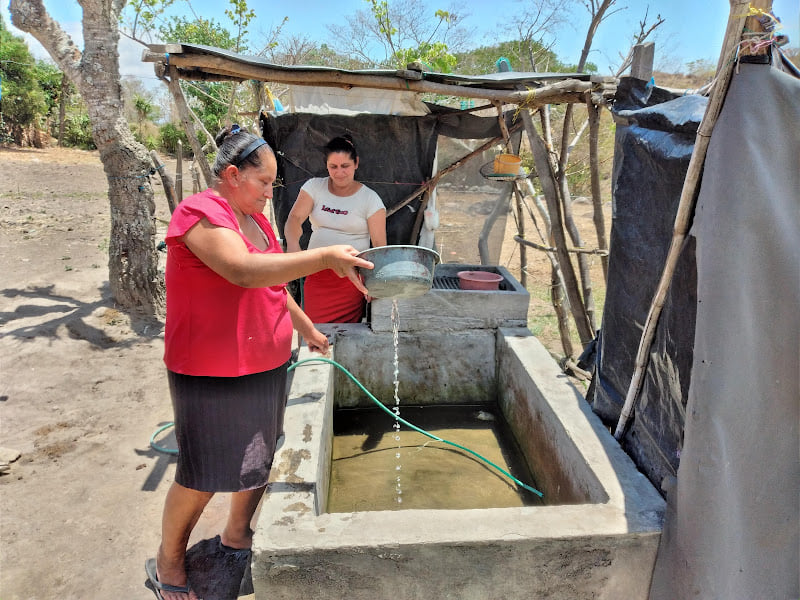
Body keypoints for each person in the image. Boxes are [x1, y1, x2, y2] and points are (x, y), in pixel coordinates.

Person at [145, 124, 373, 600]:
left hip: (265, 362)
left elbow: (273, 284)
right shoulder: (200, 214)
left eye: (273, 183)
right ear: (232, 175)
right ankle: (169, 562)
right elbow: (244, 271)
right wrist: (323, 257)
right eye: (264, 182)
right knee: (203, 474)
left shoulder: (257, 220)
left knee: (257, 460)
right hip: (210, 369)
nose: (270, 193)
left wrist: (307, 329)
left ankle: (236, 534)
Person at [284, 134, 386, 323]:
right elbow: (294, 219)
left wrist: (376, 284)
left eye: (345, 166)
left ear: (356, 163)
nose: (339, 172)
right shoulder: (314, 187)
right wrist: (292, 245)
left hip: (351, 279)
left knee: (345, 333)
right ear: (326, 166)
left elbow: (380, 247)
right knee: (311, 329)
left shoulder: (371, 200)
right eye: (333, 167)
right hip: (315, 273)